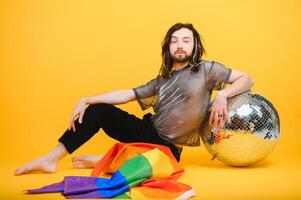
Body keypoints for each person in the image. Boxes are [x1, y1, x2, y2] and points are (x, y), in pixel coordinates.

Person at [14, 23, 254, 175]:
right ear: (168, 48)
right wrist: (87, 99)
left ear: (195, 45)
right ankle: (51, 159)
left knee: (164, 167)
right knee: (99, 110)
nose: (180, 45)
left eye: (186, 40)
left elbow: (247, 79)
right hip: (147, 129)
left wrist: (223, 93)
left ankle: (106, 161)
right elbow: (127, 94)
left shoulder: (207, 70)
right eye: (174, 40)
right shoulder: (162, 79)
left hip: (168, 148)